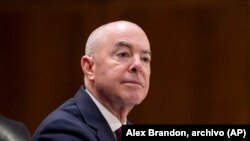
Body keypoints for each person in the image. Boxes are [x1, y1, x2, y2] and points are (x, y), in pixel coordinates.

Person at [32, 20, 152, 141]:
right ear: (89, 67)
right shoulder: (62, 130)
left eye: (145, 59)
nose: (138, 65)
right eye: (123, 54)